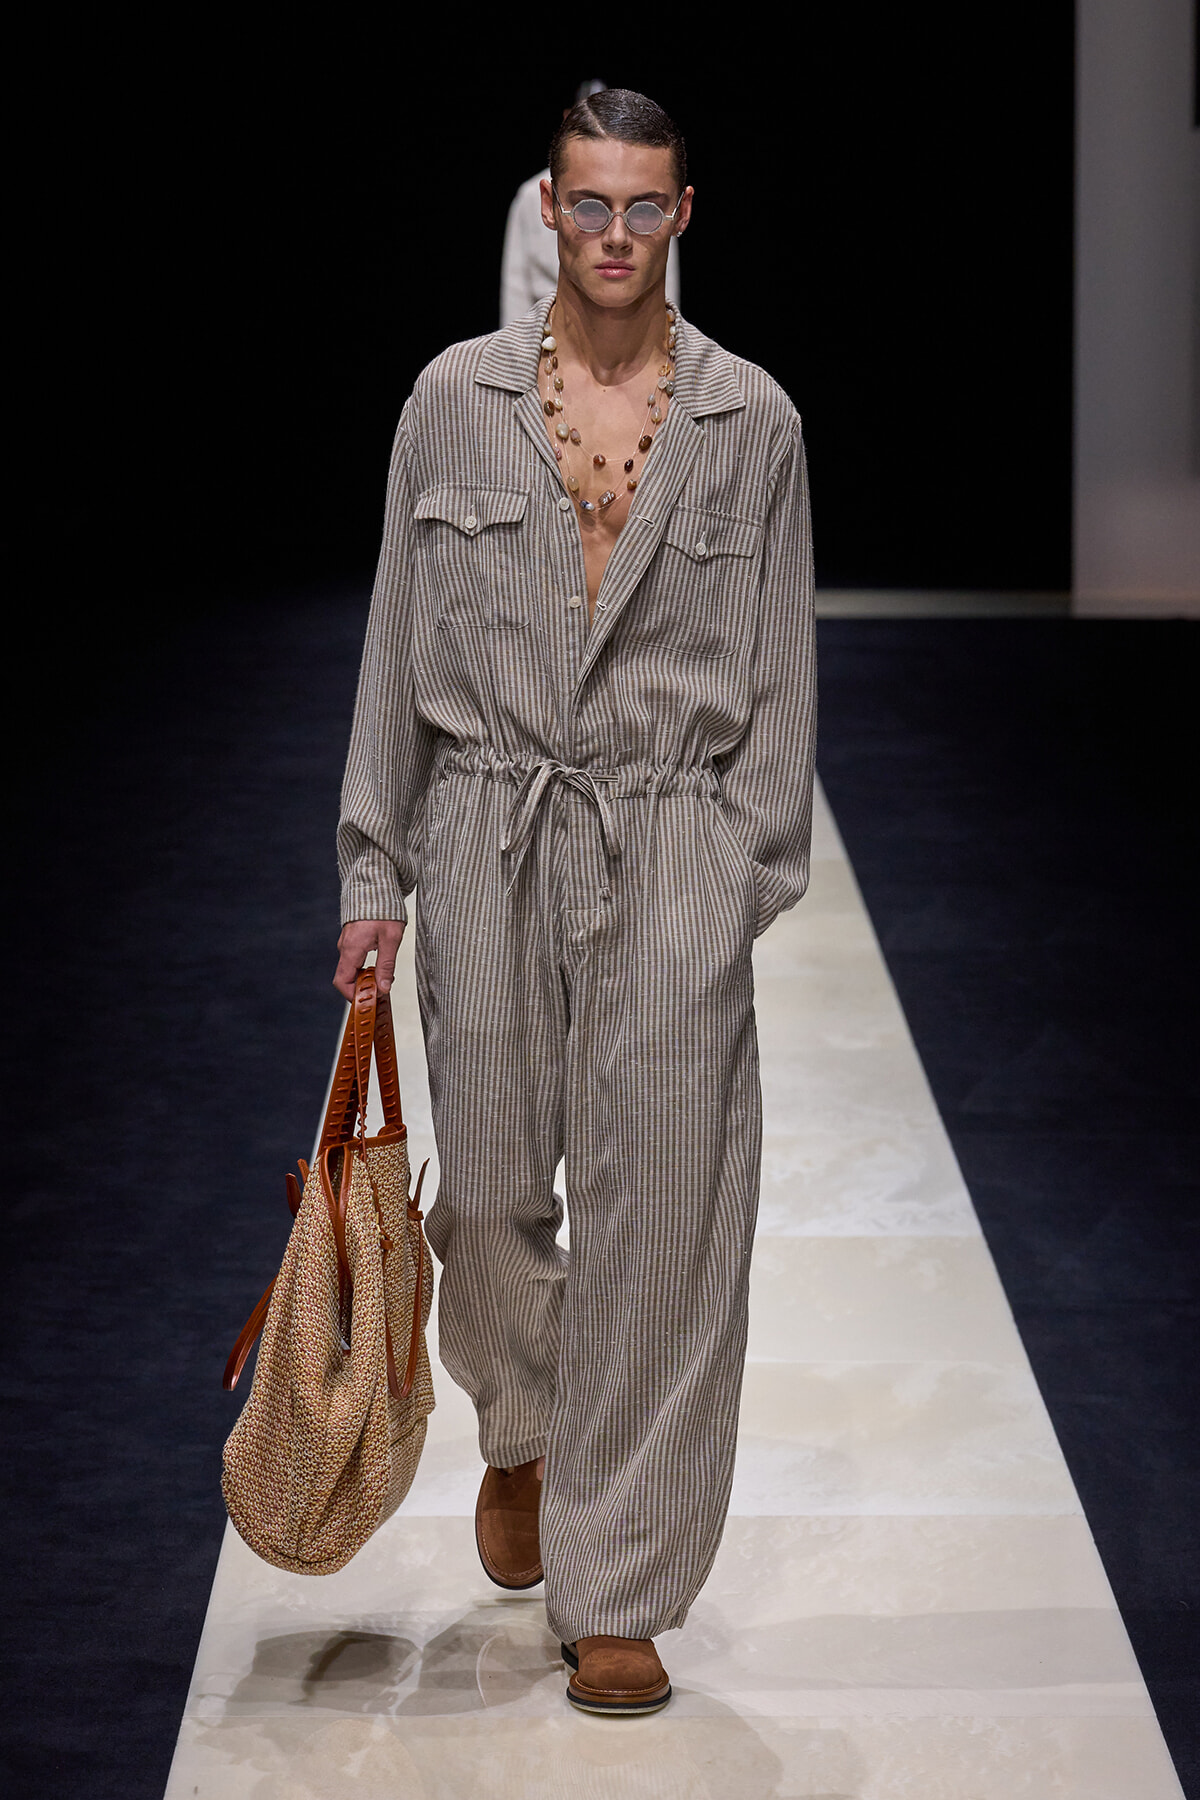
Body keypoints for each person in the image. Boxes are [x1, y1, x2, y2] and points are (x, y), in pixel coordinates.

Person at [334, 88, 816, 1717]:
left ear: (685, 214)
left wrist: (739, 878)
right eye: (590, 204)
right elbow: (397, 644)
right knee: (483, 1205)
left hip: (671, 837)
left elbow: (784, 676)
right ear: (550, 207)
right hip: (487, 828)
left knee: (663, 1221)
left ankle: (618, 1588)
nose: (616, 234)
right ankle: (526, 1426)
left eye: (645, 205)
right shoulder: (451, 402)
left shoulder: (752, 423)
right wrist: (371, 868)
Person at [501, 80, 680, 324]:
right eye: (589, 208)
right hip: (546, 328)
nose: (617, 237)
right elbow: (516, 282)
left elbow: (664, 273)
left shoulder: (653, 188)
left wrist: (668, 328)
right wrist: (517, 342)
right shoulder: (530, 196)